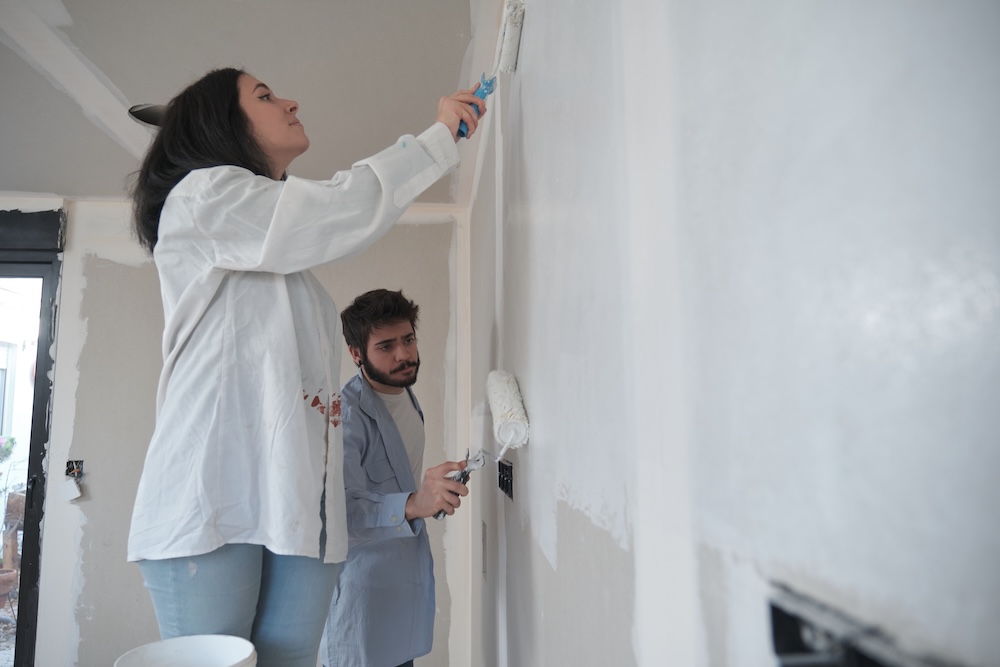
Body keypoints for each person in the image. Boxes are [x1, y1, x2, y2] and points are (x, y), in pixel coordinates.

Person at [126, 67, 485, 667]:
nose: (289, 101)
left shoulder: (293, 279)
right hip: (213, 501)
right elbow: (333, 210)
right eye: (264, 96)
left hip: (300, 512)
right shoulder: (203, 197)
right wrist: (438, 137)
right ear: (220, 124)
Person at [325, 289, 468, 667]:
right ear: (357, 354)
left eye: (408, 339)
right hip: (363, 602)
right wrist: (414, 504)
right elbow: (339, 516)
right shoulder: (346, 419)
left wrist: (428, 501)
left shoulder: (406, 397)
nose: (404, 355)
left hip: (404, 592)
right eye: (385, 346)